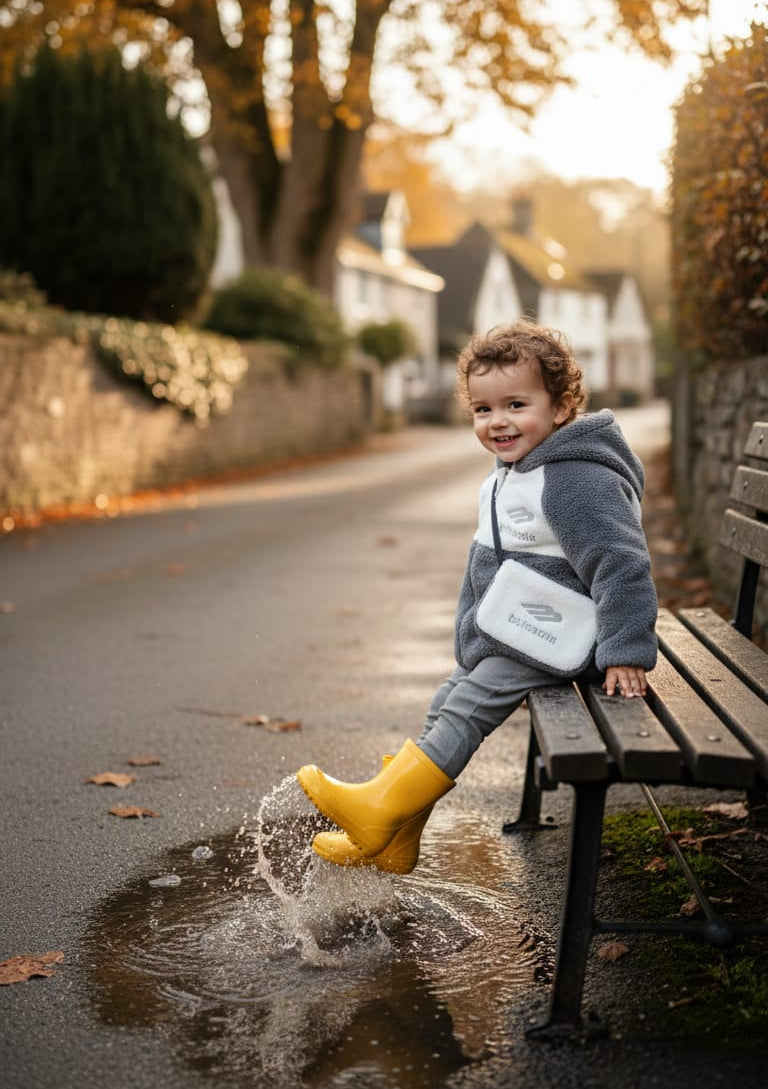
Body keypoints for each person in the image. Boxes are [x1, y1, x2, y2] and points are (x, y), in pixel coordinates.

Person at [296, 319, 658, 874]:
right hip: (527, 631)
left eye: (516, 405)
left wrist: (625, 651)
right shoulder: (522, 467)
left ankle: (379, 809)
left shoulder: (573, 479)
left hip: (563, 634)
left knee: (466, 707)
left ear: (561, 408)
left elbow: (621, 562)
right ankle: (395, 833)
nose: (497, 421)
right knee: (448, 702)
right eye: (483, 409)